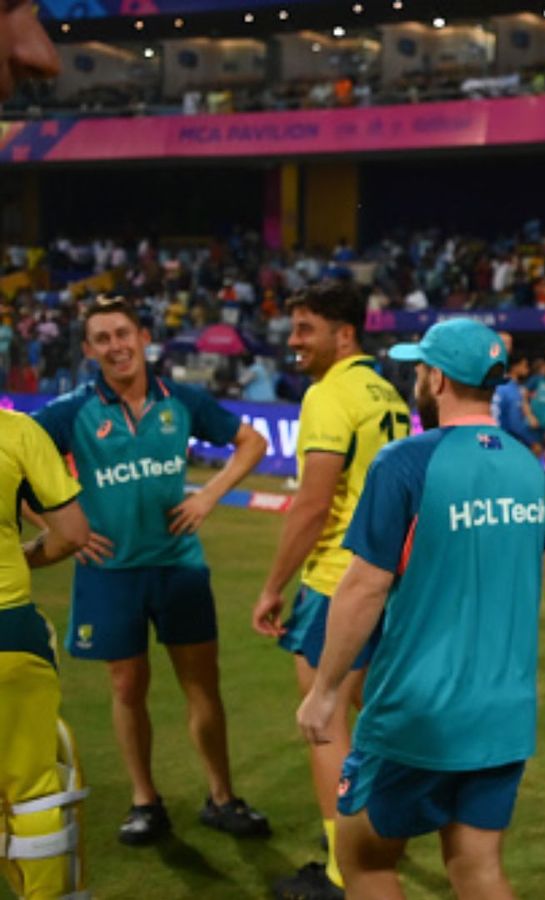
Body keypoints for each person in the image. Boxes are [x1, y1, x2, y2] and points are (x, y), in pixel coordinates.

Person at [297, 319, 545, 900]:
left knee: (363, 857)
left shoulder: (405, 463)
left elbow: (361, 588)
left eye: (419, 368)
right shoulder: (526, 468)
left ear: (436, 379)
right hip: (505, 710)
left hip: (420, 710)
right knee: (476, 866)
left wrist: (326, 690)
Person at [32, 296, 271, 845]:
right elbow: (13, 456)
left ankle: (222, 797)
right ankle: (145, 802)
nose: (115, 346)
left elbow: (251, 442)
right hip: (110, 573)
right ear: (90, 350)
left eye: (123, 333)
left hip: (178, 568)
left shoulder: (181, 400)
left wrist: (209, 494)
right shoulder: (72, 412)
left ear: (143, 337)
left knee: (201, 686)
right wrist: (63, 528)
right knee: (126, 685)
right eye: (102, 339)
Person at [251, 282, 411, 900]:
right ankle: (378, 833)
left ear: (344, 334)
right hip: (386, 576)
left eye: (304, 328)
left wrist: (272, 586)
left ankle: (345, 868)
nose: (293, 341)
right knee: (368, 711)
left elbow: (313, 503)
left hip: (335, 581)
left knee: (323, 722)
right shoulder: (387, 391)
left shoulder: (329, 394)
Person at [1, 410, 90, 900]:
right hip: (6, 629)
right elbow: (74, 533)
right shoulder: (15, 431)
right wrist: (24, 556)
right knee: (34, 792)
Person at [491, 352, 540, 450]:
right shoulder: (512, 390)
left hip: (492, 438)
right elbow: (515, 423)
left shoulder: (497, 386)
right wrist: (533, 442)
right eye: (524, 365)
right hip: (505, 441)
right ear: (515, 367)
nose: (527, 369)